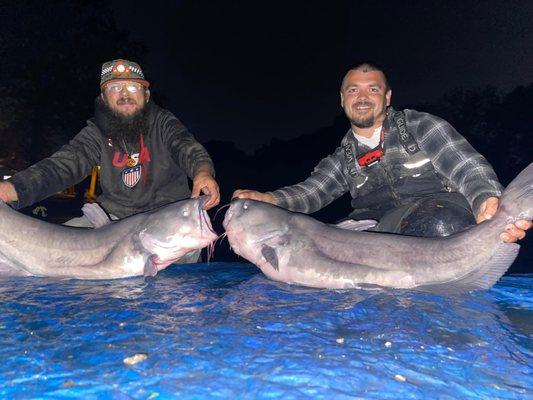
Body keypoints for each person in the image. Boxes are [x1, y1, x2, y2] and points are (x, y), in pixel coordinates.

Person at [233, 62, 530, 243]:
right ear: (342, 99)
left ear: (387, 97)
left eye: (373, 89)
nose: (362, 97)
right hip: (373, 227)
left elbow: (467, 167)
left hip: (434, 213)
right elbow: (312, 192)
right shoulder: (341, 157)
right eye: (353, 90)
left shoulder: (421, 125)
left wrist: (487, 202)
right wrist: (269, 199)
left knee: (441, 223)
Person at [0, 59, 220, 230]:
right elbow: (61, 167)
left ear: (146, 94)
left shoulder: (163, 122)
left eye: (132, 87)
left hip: (168, 215)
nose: (124, 94)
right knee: (52, 250)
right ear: (104, 99)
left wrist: (203, 172)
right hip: (111, 220)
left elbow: (187, 147)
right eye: (115, 88)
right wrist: (11, 189)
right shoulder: (96, 132)